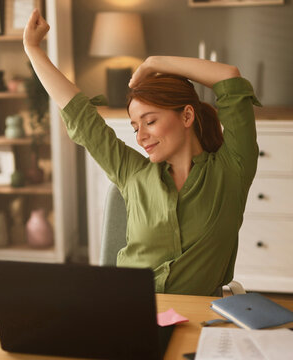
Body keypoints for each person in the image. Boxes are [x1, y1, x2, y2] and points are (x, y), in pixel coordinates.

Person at [24, 9, 261, 296]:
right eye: (136, 127)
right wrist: (33, 49)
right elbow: (80, 116)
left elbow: (229, 80)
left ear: (187, 117)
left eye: (150, 121)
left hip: (198, 322)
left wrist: (154, 62)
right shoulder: (133, 172)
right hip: (126, 310)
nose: (141, 137)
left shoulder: (232, 170)